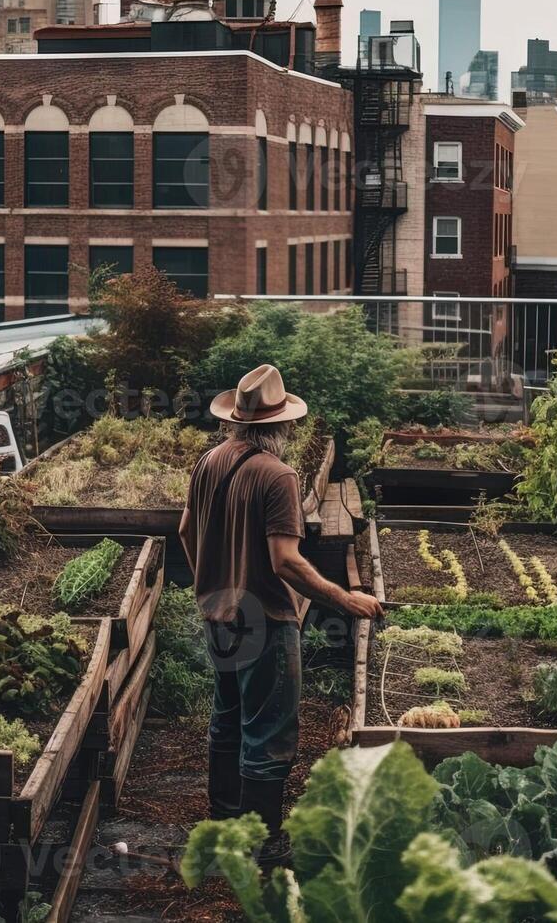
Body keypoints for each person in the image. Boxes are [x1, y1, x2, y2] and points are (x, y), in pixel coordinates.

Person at [179, 364, 383, 863]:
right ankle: (263, 844)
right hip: (264, 620)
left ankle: (225, 823)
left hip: (220, 616)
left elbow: (186, 531)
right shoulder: (278, 476)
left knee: (227, 720)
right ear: (281, 425)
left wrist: (213, 586)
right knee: (269, 733)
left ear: (238, 420)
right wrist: (346, 599)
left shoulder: (209, 462)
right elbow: (285, 561)